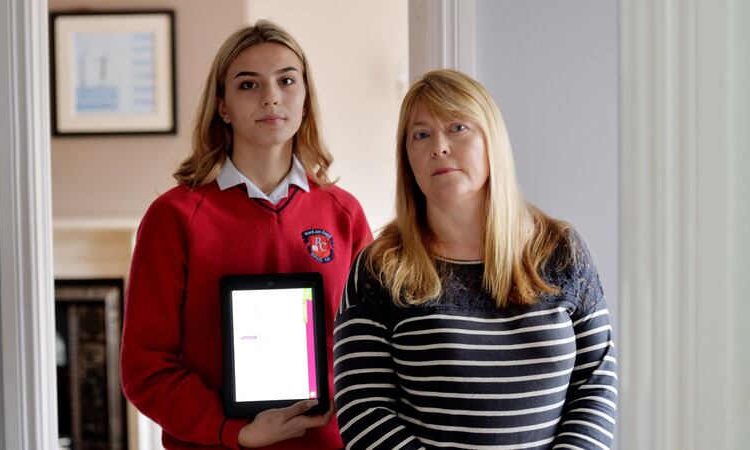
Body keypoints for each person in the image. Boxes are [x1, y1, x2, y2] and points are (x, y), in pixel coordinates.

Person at [120, 21, 372, 450]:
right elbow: (146, 368)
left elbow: (371, 349)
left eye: (286, 80)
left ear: (306, 97)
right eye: (248, 84)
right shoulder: (173, 218)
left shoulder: (343, 213)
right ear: (223, 107)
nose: (271, 96)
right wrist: (234, 433)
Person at [333, 69, 617, 449]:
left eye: (457, 127)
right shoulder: (379, 267)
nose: (439, 147)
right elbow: (363, 408)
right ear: (407, 159)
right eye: (421, 135)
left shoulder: (560, 249)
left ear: (491, 140)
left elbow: (595, 385)